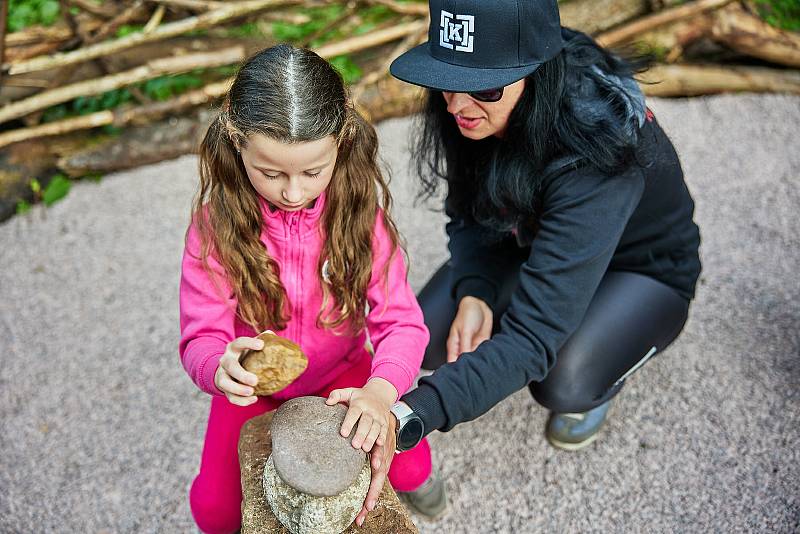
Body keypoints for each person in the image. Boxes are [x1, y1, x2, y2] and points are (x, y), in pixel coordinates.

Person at [359, 0, 702, 519]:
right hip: (538, 239)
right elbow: (469, 214)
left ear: (536, 76)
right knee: (430, 326)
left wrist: (411, 412)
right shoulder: (476, 100)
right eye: (446, 81)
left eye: (485, 89)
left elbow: (532, 339)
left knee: (562, 379)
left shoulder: (594, 149)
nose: (457, 106)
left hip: (641, 270)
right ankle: (539, 304)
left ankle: (607, 367)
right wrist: (476, 287)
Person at [178, 44, 445, 534]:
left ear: (341, 142)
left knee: (413, 467)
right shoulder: (215, 225)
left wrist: (380, 392)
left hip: (344, 375)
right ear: (237, 143)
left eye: (313, 172)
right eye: (271, 173)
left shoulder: (361, 215)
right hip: (256, 387)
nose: (295, 192)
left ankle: (417, 480)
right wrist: (220, 368)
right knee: (214, 514)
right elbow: (202, 335)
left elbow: (402, 322)